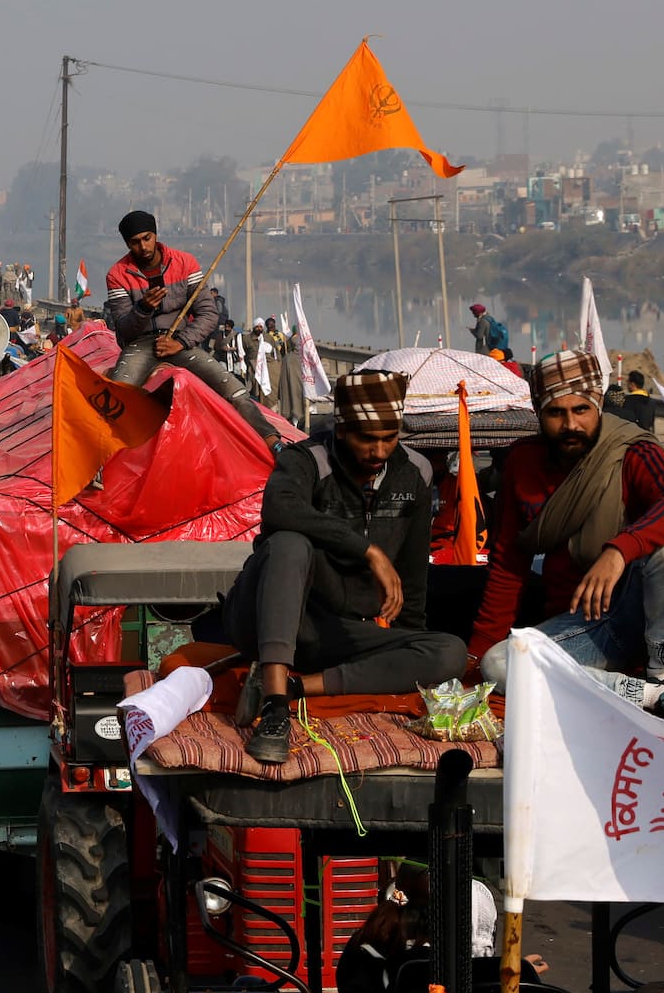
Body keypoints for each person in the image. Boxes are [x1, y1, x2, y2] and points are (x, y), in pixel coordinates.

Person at [223, 368, 466, 762]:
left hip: (334, 634)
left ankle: (296, 688)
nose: (380, 450)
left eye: (390, 438)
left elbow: (412, 582)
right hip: (266, 620)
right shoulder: (307, 460)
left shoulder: (415, 474)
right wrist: (368, 551)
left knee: (449, 653)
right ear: (341, 430)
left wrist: (407, 653)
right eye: (367, 439)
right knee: (289, 543)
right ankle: (275, 707)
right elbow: (279, 510)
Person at [468, 351, 664, 720]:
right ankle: (651, 695)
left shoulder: (633, 450)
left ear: (597, 404)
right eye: (556, 413)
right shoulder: (523, 462)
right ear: (538, 412)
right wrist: (477, 656)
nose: (571, 425)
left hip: (641, 614)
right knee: (498, 664)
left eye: (581, 410)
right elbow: (507, 564)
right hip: (580, 625)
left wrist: (619, 550)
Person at [102, 211, 266, 432]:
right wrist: (143, 308)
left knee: (236, 391)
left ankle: (271, 441)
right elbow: (123, 328)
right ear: (127, 244)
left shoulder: (184, 263)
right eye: (135, 242)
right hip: (139, 346)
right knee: (117, 400)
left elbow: (208, 313)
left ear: (155, 235)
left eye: (147, 238)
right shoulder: (117, 274)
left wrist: (180, 341)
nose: (143, 247)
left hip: (180, 341)